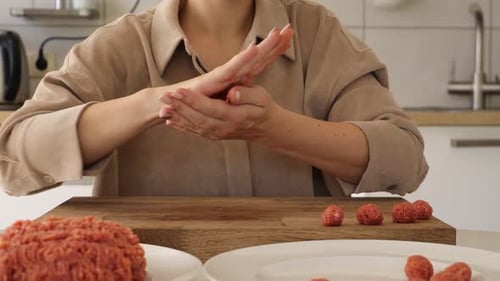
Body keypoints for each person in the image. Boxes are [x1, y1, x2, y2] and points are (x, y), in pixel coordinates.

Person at [0, 0, 428, 197]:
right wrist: (156, 102)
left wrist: (274, 128)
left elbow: (405, 160)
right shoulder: (120, 45)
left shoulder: (316, 33)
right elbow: (15, 152)